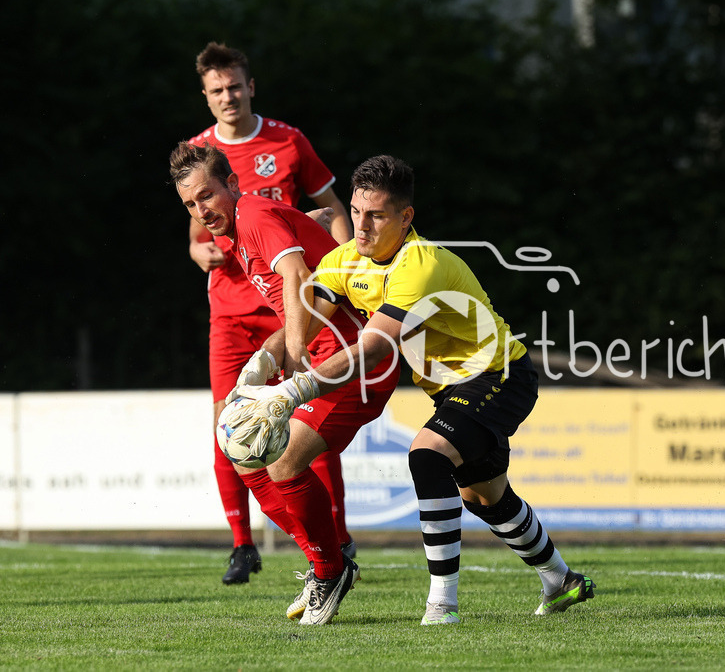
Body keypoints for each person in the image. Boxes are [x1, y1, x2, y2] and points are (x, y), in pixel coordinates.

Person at [228, 155, 596, 626]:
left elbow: (373, 348)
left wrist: (296, 389)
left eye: (377, 215)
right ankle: (562, 579)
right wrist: (264, 359)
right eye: (357, 211)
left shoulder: (419, 265)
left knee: (426, 454)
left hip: (500, 375)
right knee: (485, 498)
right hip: (450, 391)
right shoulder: (344, 260)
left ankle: (442, 606)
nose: (361, 226)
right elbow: (306, 314)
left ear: (406, 218)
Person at [170, 141, 399, 625]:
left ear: (233, 184)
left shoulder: (252, 218)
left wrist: (292, 360)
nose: (201, 210)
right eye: (190, 204)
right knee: (243, 449)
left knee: (284, 464)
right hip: (324, 355)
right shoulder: (244, 227)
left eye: (207, 196)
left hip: (356, 364)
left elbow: (296, 276)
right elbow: (310, 282)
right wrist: (266, 357)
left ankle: (329, 567)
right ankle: (325, 562)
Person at [186, 42, 356, 584]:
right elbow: (196, 240)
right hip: (233, 310)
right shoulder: (197, 156)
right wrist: (201, 252)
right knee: (230, 426)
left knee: (305, 424)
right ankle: (244, 546)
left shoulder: (285, 140)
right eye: (216, 90)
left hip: (290, 304)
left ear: (250, 86)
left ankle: (336, 543)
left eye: (234, 85)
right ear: (206, 97)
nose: (227, 96)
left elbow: (333, 209)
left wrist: (350, 269)